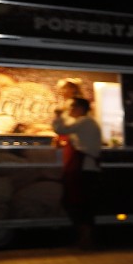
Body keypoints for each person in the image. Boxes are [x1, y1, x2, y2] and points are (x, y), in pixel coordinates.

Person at [51, 96, 102, 248]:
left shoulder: (85, 121)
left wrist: (59, 115)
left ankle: (86, 238)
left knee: (80, 203)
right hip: (84, 168)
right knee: (78, 203)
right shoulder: (85, 123)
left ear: (80, 108)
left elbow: (61, 129)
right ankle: (84, 237)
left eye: (72, 107)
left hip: (84, 168)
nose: (70, 110)